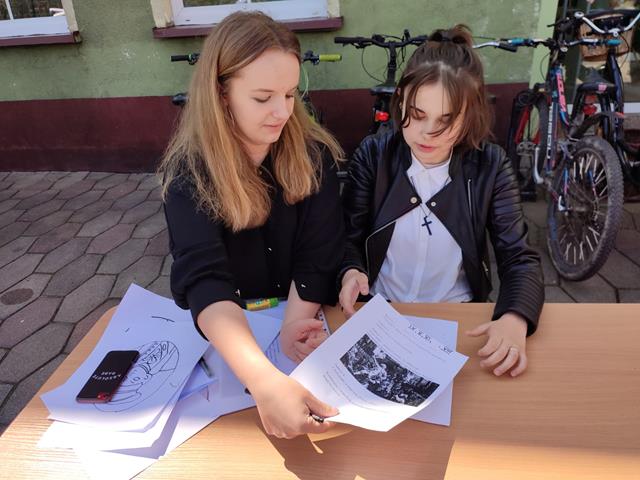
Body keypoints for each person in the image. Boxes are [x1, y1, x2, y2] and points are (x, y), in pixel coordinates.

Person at [160, 11, 345, 439]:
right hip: (231, 343)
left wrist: (295, 323)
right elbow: (204, 279)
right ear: (221, 93)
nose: (282, 112)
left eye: (290, 94)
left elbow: (320, 252)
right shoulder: (189, 174)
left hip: (301, 315)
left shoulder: (314, 155)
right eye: (263, 98)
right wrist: (262, 379)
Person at [339, 25, 545, 378]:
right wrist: (349, 270)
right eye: (417, 114)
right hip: (379, 313)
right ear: (401, 98)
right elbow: (346, 238)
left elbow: (519, 258)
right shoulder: (374, 155)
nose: (428, 133)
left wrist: (514, 318)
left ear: (470, 115)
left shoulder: (491, 166)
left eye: (447, 120)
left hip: (459, 319)